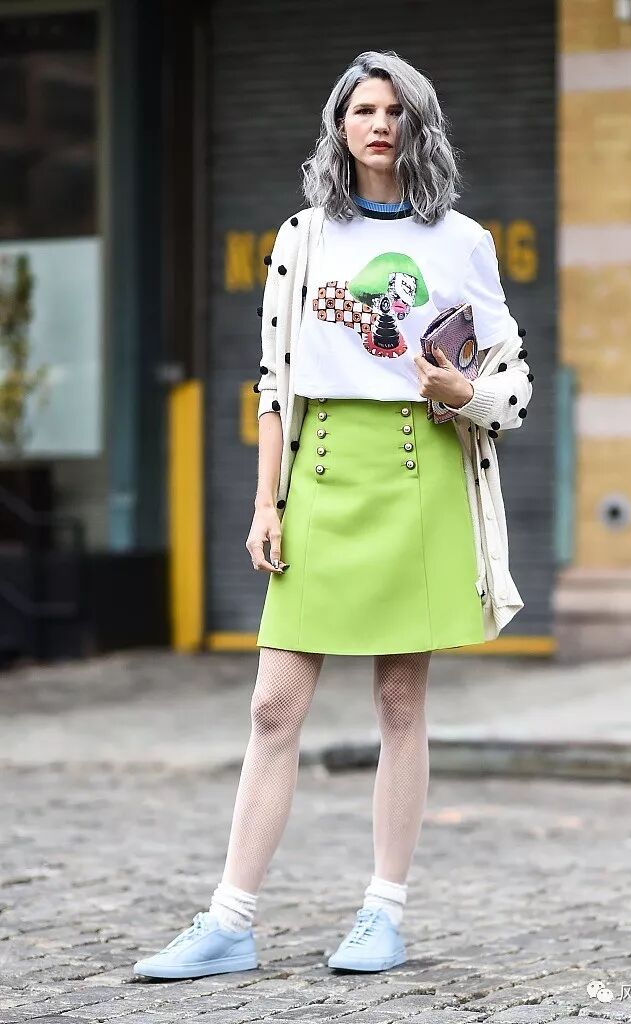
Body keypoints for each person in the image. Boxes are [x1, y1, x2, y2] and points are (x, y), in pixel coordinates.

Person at [133, 49, 533, 981]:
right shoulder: (302, 236)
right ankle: (229, 921)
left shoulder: (462, 241)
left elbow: (512, 383)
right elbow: (274, 383)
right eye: (363, 110)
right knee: (273, 704)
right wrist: (265, 500)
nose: (380, 124)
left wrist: (464, 390)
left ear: (417, 124)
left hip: (418, 470)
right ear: (339, 126)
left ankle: (382, 913)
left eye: (395, 110)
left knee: (400, 702)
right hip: (318, 473)